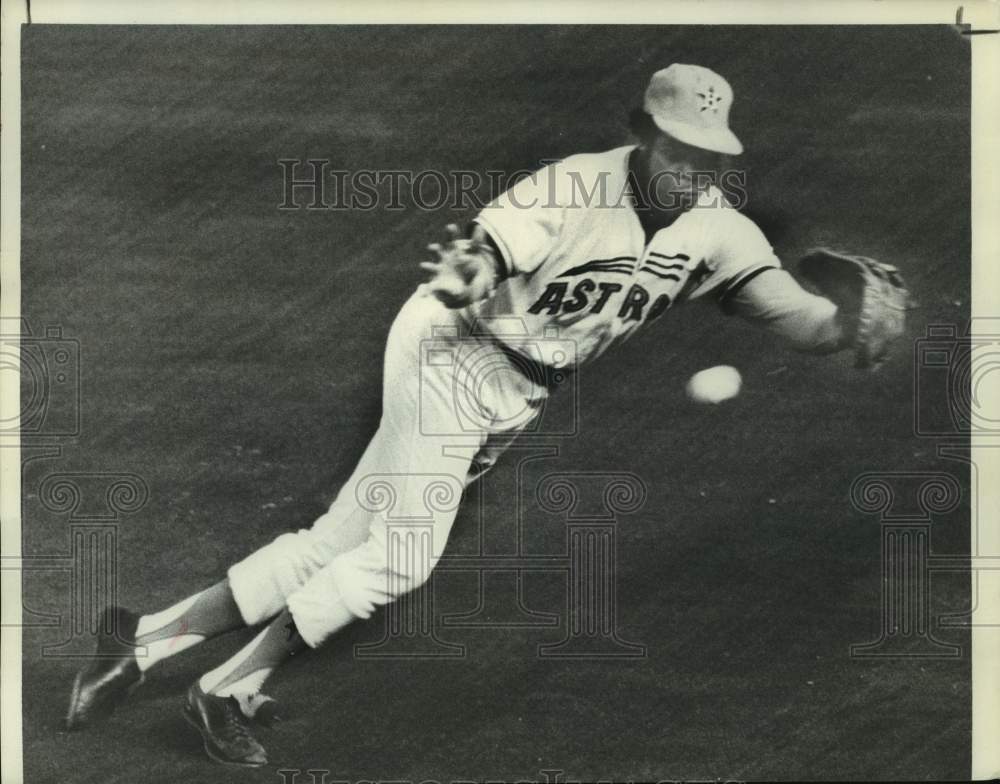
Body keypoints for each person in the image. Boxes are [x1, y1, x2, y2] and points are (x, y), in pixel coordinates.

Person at [66, 64, 867, 768]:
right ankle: (224, 688)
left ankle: (142, 640)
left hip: (513, 395)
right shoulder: (570, 187)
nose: (690, 170)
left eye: (708, 157)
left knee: (343, 541)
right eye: (677, 150)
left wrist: (848, 326)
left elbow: (796, 316)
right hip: (450, 347)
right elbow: (487, 250)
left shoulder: (719, 231)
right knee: (403, 555)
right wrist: (469, 270)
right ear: (642, 135)